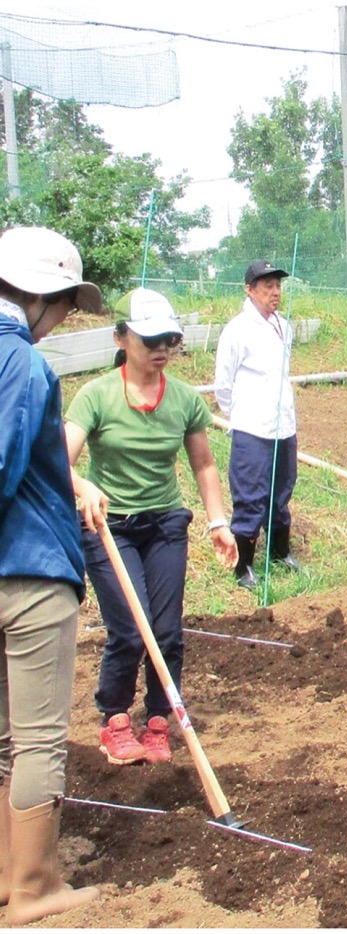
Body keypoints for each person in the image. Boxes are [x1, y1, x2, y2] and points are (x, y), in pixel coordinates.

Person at [66, 288, 238, 767]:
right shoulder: (97, 395)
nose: (162, 349)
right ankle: (115, 717)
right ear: (121, 338)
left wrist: (217, 522)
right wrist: (83, 487)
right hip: (109, 526)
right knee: (130, 627)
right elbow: (58, 460)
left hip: (164, 524)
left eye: (170, 339)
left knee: (165, 628)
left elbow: (203, 464)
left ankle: (160, 717)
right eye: (150, 339)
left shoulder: (183, 399)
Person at [0, 226, 101, 923]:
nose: (64, 317)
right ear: (39, 296)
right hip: (28, 574)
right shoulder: (21, 363)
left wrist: (69, 481)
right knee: (34, 737)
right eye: (64, 302)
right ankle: (33, 886)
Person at [214, 260, 301, 590]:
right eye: (267, 286)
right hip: (252, 427)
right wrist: (241, 414)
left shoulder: (283, 326)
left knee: (281, 491)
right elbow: (223, 383)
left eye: (278, 286)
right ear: (249, 290)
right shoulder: (237, 330)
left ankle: (280, 553)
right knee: (251, 495)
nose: (275, 292)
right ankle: (244, 566)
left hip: (283, 425)